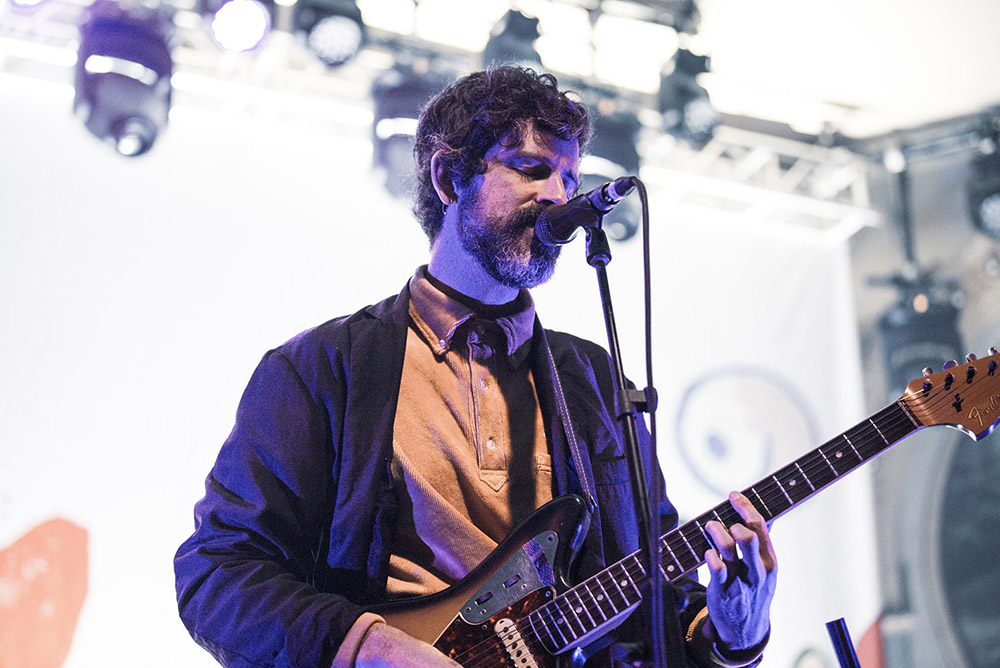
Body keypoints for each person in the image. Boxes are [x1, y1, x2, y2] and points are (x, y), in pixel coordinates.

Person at [174, 66, 777, 668]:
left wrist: (730, 633)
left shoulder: (594, 382)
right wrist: (365, 645)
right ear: (447, 176)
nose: (558, 197)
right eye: (531, 167)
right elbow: (219, 574)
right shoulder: (323, 368)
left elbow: (653, 596)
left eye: (570, 178)